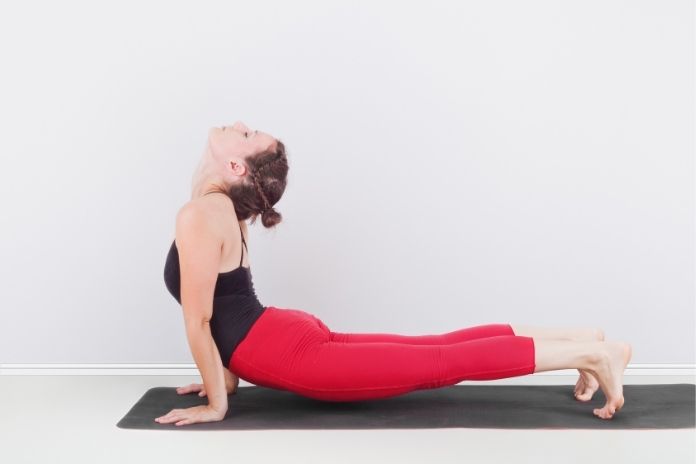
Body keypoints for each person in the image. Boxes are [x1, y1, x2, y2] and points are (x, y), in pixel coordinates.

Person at [155, 121, 632, 427]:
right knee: (439, 348)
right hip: (281, 335)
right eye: (248, 132)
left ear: (234, 166)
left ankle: (593, 352)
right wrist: (221, 379)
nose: (240, 126)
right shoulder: (220, 210)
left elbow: (203, 320)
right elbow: (223, 308)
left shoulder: (200, 213)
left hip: (284, 350)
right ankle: (582, 339)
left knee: (442, 362)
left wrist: (216, 403)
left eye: (247, 133)